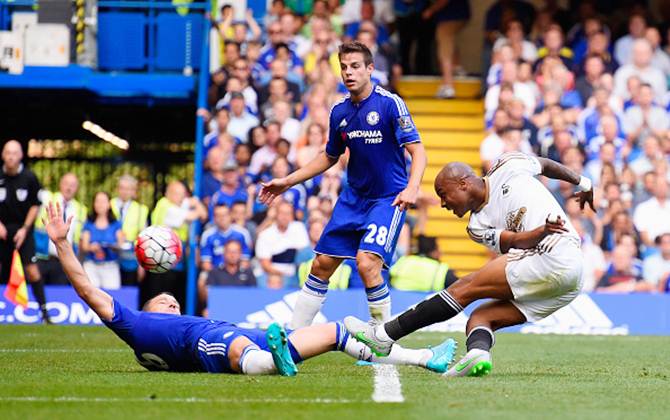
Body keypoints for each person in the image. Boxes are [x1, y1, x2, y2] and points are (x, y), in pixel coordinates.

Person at [41, 201, 457, 376]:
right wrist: (61, 244)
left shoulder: (170, 325)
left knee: (343, 328)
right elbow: (87, 289)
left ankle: (423, 358)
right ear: (150, 309)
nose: (168, 298)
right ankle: (272, 362)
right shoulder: (138, 325)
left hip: (223, 330)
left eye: (168, 298)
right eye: (161, 299)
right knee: (236, 347)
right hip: (210, 341)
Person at [345, 152, 594, 377]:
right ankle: (478, 354)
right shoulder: (477, 227)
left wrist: (582, 182)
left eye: (444, 195)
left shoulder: (507, 164)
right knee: (481, 317)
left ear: (463, 184)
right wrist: (540, 231)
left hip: (556, 253)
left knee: (465, 287)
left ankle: (383, 335)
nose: (443, 204)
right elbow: (516, 241)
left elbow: (545, 164)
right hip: (568, 280)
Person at [259, 41, 427, 327]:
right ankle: (293, 338)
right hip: (354, 199)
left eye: (355, 66)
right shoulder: (339, 112)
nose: (349, 73)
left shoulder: (390, 103)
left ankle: (380, 340)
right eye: (344, 67)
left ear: (370, 69)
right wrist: (288, 181)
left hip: (389, 199)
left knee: (367, 263)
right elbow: (329, 156)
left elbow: (418, 151)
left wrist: (412, 188)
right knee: (321, 264)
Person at [0, 140, 49, 322]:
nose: (11, 156)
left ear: (21, 155)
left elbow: (35, 206)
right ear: (3, 155)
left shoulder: (29, 177)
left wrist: (25, 229)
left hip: (23, 231)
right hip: (2, 229)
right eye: (8, 152)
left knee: (32, 271)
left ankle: (44, 313)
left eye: (15, 153)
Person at [34, 173, 87, 285]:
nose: (69, 188)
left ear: (76, 188)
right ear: (60, 184)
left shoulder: (81, 209)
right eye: (66, 183)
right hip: (42, 255)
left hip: (63, 260)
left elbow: (80, 237)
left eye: (72, 185)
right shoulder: (47, 199)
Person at [80, 191, 125, 289]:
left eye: (103, 201)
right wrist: (91, 247)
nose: (100, 205)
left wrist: (112, 246)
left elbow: (121, 244)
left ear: (109, 204)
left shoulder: (116, 224)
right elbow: (84, 246)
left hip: (110, 267)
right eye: (97, 201)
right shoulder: (89, 223)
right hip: (91, 266)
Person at [111, 175, 149, 286]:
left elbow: (143, 240)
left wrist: (142, 265)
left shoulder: (141, 210)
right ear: (117, 189)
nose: (124, 192)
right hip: (110, 256)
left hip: (130, 258)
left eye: (128, 189)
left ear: (133, 191)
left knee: (128, 291)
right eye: (122, 188)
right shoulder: (109, 204)